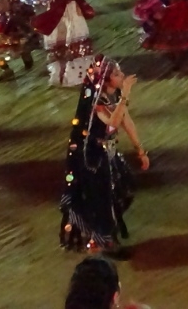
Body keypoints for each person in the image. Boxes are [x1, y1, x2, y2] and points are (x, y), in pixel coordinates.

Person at [60, 55, 148, 252]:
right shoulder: (97, 101)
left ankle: (102, 233)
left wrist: (140, 150)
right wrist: (126, 93)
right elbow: (113, 122)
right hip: (92, 158)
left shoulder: (113, 95)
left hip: (108, 152)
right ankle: (102, 242)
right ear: (106, 80)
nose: (122, 76)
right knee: (102, 198)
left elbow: (126, 121)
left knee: (125, 187)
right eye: (117, 74)